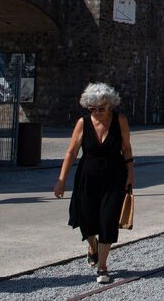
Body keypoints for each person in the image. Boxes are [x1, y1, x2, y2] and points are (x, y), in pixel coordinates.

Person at [54, 83, 134, 285]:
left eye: (101, 108)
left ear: (110, 105)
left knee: (107, 220)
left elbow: (126, 148)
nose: (97, 113)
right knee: (86, 220)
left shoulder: (120, 121)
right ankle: (92, 246)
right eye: (92, 109)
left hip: (114, 176)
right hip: (87, 177)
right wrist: (61, 180)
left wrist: (130, 174)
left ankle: (103, 266)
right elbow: (71, 152)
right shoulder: (83, 123)